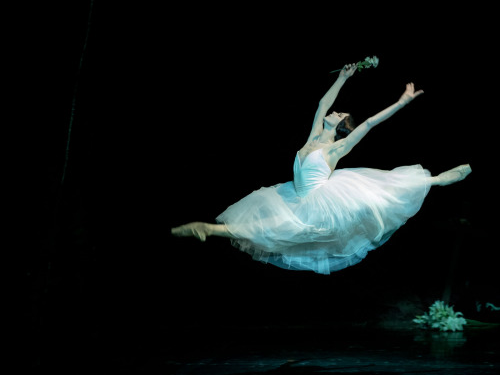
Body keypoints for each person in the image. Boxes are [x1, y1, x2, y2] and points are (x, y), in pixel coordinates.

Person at [171, 63, 471, 274]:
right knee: (267, 229)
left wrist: (401, 103)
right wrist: (343, 78)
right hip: (294, 196)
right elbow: (320, 103)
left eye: (339, 113)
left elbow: (368, 123)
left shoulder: (337, 148)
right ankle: (208, 229)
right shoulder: (314, 137)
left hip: (320, 202)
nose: (334, 111)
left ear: (340, 126)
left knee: (385, 191)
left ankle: (435, 181)